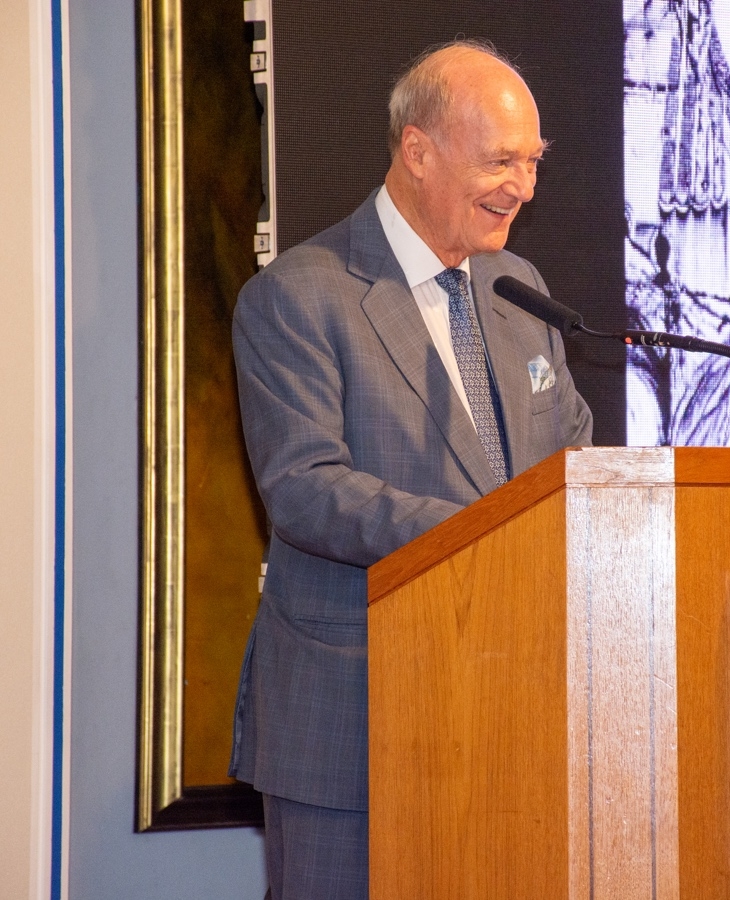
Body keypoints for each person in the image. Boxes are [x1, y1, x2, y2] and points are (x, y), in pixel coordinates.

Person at [229, 39, 593, 900]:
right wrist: (490, 535)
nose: (524, 186)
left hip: (509, 710)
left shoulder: (519, 289)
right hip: (352, 723)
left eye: (534, 162)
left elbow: (572, 459)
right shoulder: (299, 296)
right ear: (417, 150)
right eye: (501, 159)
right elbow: (307, 489)